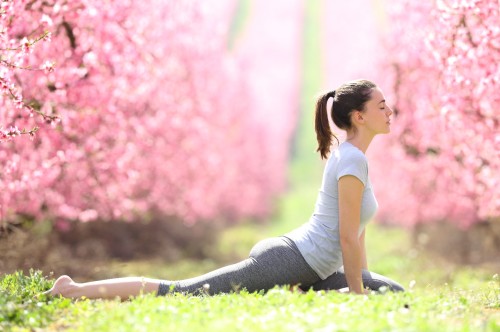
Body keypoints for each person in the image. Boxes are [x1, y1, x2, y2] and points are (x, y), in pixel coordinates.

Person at [45, 79, 404, 300]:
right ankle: (73, 290)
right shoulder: (352, 159)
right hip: (290, 260)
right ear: (359, 116)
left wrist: (364, 282)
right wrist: (357, 293)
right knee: (183, 292)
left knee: (394, 294)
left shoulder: (353, 156)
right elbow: (346, 238)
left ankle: (302, 293)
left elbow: (358, 232)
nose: (389, 111)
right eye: (381, 106)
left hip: (314, 269)